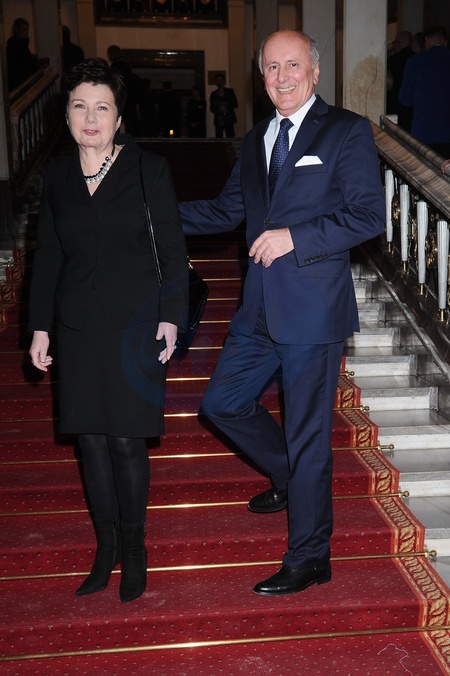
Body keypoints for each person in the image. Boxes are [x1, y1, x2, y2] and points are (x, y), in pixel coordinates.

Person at [179, 30, 385, 596]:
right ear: (261, 77)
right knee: (222, 403)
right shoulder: (255, 140)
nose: (282, 76)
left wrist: (295, 236)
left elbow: (368, 215)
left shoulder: (345, 130)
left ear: (314, 71)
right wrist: (148, 214)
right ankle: (292, 477)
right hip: (258, 310)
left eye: (292, 65)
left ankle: (311, 556)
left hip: (313, 311)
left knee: (308, 434)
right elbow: (225, 211)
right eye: (271, 67)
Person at [28, 58, 189, 603]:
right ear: (67, 115)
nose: (91, 118)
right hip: (77, 325)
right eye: (80, 106)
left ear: (119, 118)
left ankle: (135, 548)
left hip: (135, 325)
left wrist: (170, 315)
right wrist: (40, 326)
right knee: (90, 441)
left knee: (125, 440)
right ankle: (106, 547)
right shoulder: (56, 177)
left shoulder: (148, 170)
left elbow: (172, 248)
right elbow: (48, 256)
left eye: (102, 108)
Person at [399, 26, 450, 158]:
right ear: (446, 42)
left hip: (425, 132)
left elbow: (405, 99)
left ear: (426, 41)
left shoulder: (415, 62)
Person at [107, 45, 142, 136]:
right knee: (130, 126)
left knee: (115, 125)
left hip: (120, 99)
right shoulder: (126, 66)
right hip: (129, 99)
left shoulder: (114, 68)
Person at [386, 31, 413, 131]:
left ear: (399, 43)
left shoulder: (393, 60)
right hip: (411, 108)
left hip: (394, 104)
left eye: (395, 42)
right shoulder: (416, 59)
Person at [6, 17, 38, 91]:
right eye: (23, 29)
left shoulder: (23, 45)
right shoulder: (14, 47)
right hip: (19, 84)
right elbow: (22, 66)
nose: (26, 32)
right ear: (16, 30)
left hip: (24, 83)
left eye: (27, 29)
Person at [209, 73, 238, 138]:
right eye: (217, 80)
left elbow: (235, 104)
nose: (219, 82)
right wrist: (216, 104)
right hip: (219, 119)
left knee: (230, 137)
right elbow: (211, 109)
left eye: (220, 80)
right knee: (219, 138)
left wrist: (226, 104)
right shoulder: (214, 94)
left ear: (223, 81)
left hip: (229, 118)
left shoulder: (230, 92)